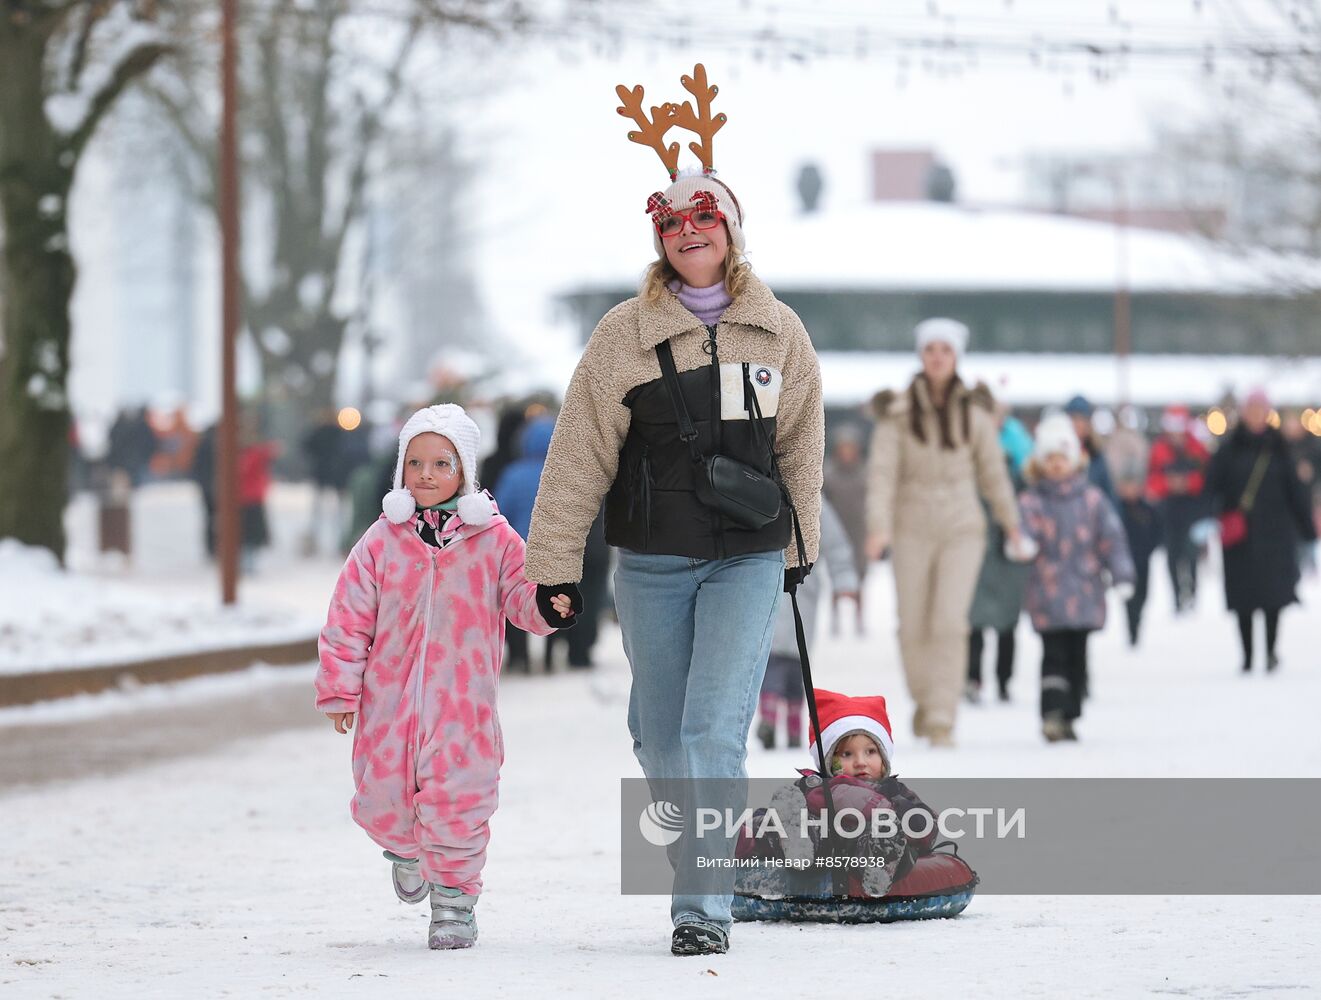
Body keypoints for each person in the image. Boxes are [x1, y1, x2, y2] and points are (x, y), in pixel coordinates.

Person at [524, 66, 824, 957]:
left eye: (706, 219)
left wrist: (798, 541)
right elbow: (579, 452)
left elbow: (799, 442)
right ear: (659, 239)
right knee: (660, 734)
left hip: (744, 556)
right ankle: (701, 857)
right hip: (651, 560)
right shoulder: (622, 334)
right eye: (673, 223)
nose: (690, 233)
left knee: (708, 729)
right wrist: (551, 565)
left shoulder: (781, 332)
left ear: (731, 231)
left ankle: (702, 907)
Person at [315, 404, 575, 950]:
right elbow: (348, 616)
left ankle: (454, 904)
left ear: (465, 472)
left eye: (442, 463)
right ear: (400, 471)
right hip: (388, 704)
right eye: (416, 463)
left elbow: (520, 599)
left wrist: (549, 608)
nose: (427, 475)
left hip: (463, 705)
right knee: (381, 801)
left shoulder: (495, 540)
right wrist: (341, 687)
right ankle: (406, 850)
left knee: (460, 803)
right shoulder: (382, 541)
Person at [866, 318, 1024, 747]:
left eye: (946, 350)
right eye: (931, 349)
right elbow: (882, 474)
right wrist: (878, 528)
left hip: (962, 526)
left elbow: (993, 472)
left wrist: (1010, 523)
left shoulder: (975, 414)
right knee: (912, 622)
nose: (937, 357)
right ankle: (924, 697)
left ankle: (941, 715)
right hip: (910, 523)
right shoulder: (896, 414)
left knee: (950, 621)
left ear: (956, 357)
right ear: (921, 355)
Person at [739, 690, 937, 900]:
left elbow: (926, 825)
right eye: (846, 754)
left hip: (864, 850)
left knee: (882, 830)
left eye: (870, 751)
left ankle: (879, 860)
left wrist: (897, 811)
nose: (860, 762)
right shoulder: (813, 788)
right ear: (827, 761)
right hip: (821, 853)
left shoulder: (893, 791)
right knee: (796, 823)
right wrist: (752, 831)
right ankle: (797, 844)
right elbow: (774, 815)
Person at [1019, 415, 1135, 742]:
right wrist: (1022, 544)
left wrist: (1122, 573)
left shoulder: (1093, 500)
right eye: (1050, 459)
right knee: (1053, 654)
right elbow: (1021, 532)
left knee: (1078, 655)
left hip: (1084, 591)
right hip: (1048, 592)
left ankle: (1070, 713)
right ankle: (1052, 714)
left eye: (1062, 458)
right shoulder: (1032, 501)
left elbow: (1112, 538)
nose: (1056, 466)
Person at [1206, 390, 1317, 673]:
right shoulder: (1229, 447)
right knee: (1243, 597)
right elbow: (1211, 485)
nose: (1255, 414)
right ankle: (1247, 654)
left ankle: (1269, 651)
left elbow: (1296, 492)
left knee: (1274, 596)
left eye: (1260, 408)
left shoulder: (1279, 448)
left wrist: (1308, 529)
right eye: (1251, 408)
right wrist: (1207, 516)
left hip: (1276, 533)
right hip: (1240, 535)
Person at [756, 495, 859, 749]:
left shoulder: (813, 497)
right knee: (771, 659)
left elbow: (835, 544)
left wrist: (844, 577)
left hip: (804, 589)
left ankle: (792, 726)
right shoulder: (759, 487)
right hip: (763, 583)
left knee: (795, 662)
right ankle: (770, 719)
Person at [966, 402, 1032, 704]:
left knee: (1005, 622)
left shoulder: (1019, 457)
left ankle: (1001, 681)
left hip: (1005, 556)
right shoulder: (969, 465)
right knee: (976, 621)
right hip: (979, 553)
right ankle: (974, 678)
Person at [494, 416, 556, 673]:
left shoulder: (513, 473)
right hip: (553, 548)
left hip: (520, 549)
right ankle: (550, 656)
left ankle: (520, 657)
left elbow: (499, 509)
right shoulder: (560, 473)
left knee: (517, 600)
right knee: (552, 600)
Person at [1145, 404, 1210, 613]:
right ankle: (1176, 596)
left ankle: (1191, 593)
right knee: (1173, 556)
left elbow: (1208, 478)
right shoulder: (1159, 449)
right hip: (1169, 511)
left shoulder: (1196, 448)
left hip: (1192, 510)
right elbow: (1151, 481)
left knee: (1191, 554)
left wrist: (1188, 483)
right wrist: (1169, 484)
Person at [822, 423, 869, 634]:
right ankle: (835, 621)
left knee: (860, 578)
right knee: (837, 577)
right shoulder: (828, 474)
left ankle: (859, 621)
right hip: (836, 531)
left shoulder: (865, 474)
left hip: (859, 533)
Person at [1116, 475, 1162, 647]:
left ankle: (1137, 620)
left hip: (1143, 559)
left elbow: (1158, 531)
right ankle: (1132, 629)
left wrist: (1150, 548)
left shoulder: (1148, 509)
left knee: (1143, 594)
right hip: (1124, 561)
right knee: (1128, 596)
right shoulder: (1117, 510)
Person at [1063, 394, 1117, 503]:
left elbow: (1108, 495)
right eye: (1073, 419)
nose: (1077, 424)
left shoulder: (1096, 456)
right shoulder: (1058, 455)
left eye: (1081, 419)